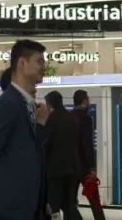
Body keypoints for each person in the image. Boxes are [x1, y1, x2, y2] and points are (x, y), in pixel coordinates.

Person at [0, 40, 49, 220]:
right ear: (22, 63)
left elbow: (27, 151)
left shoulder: (25, 104)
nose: (44, 67)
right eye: (39, 61)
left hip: (27, 205)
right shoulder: (8, 104)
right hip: (8, 207)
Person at [43, 91, 81, 220]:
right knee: (69, 204)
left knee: (54, 205)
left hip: (55, 169)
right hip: (72, 167)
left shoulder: (51, 119)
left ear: (50, 103)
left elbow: (47, 144)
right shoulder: (72, 118)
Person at [72, 90, 104, 220]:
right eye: (88, 99)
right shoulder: (86, 119)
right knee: (95, 201)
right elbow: (87, 144)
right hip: (85, 167)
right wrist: (92, 167)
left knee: (70, 203)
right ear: (84, 101)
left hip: (72, 167)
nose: (89, 101)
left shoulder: (69, 117)